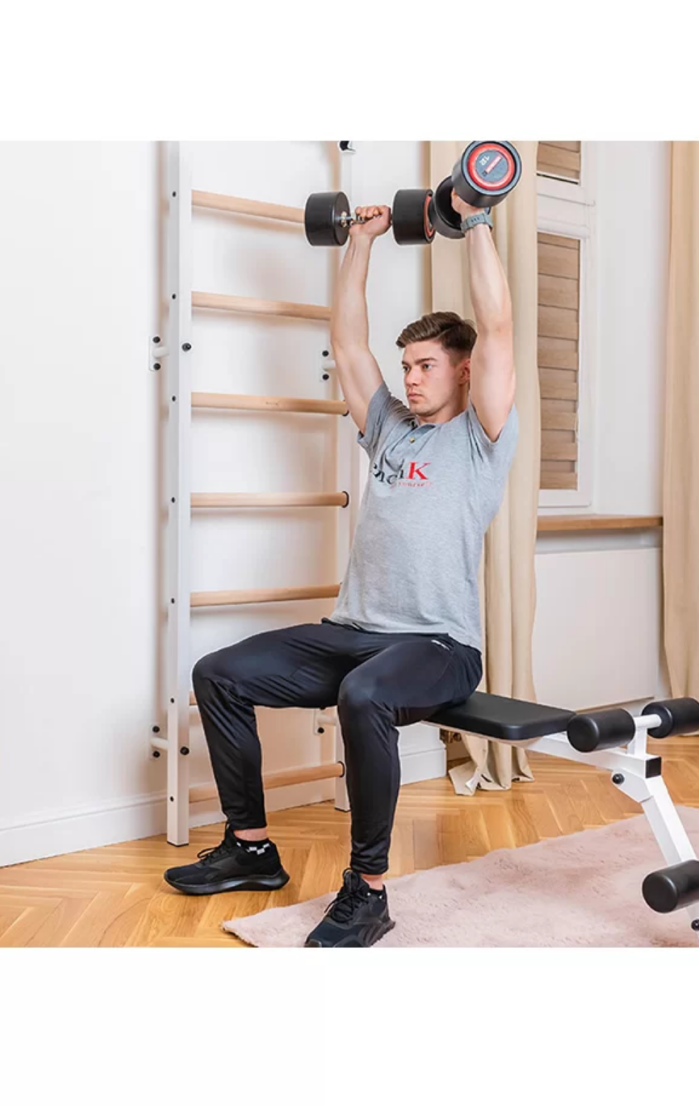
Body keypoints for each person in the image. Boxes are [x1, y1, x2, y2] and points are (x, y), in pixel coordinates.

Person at [163, 188, 520, 947]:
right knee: (219, 673)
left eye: (426, 365)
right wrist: (360, 240)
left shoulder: (481, 438)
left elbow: (498, 325)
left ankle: (368, 888)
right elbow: (348, 342)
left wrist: (477, 216)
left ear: (464, 373)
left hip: (439, 646)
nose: (411, 377)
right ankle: (251, 848)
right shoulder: (390, 428)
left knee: (364, 696)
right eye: (408, 365)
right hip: (355, 631)